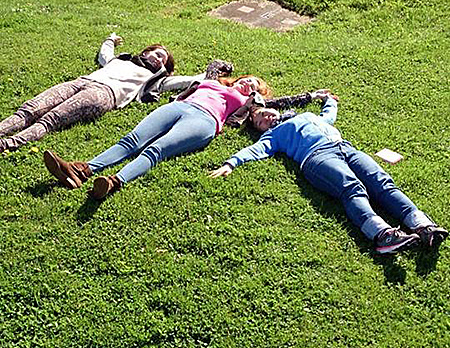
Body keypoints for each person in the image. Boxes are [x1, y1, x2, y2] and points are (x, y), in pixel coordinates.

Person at [210, 94, 448, 255]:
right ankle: (382, 235)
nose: (266, 118)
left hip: (346, 148)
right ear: (261, 130)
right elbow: (255, 150)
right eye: (260, 122)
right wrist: (231, 163)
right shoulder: (274, 135)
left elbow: (329, 116)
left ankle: (422, 226)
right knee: (352, 188)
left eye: (264, 113)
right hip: (317, 158)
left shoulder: (306, 116)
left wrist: (329, 100)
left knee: (382, 183)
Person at [43, 70, 271, 199]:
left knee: (156, 150)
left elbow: (267, 109)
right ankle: (82, 170)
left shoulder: (248, 102)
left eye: (254, 85)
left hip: (204, 120)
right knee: (132, 140)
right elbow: (208, 72)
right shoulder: (212, 82)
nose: (248, 83)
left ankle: (113, 182)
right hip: (178, 107)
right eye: (248, 79)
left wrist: (256, 99)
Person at [0, 32, 197, 153]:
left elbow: (184, 81)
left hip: (103, 94)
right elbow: (105, 54)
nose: (159, 59)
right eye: (158, 54)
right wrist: (110, 39)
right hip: (81, 82)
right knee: (29, 109)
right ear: (146, 52)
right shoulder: (120, 60)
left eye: (163, 61)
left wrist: (210, 74)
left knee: (51, 120)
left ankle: (7, 144)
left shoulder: (155, 80)